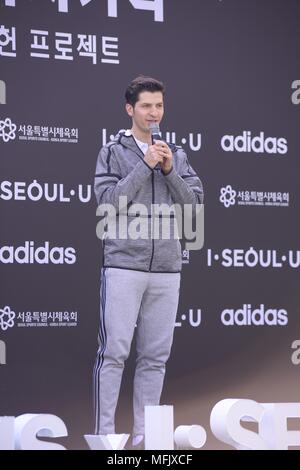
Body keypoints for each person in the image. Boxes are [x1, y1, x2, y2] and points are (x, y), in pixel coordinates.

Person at [93, 75, 204, 448]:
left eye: (158, 105)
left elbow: (194, 207)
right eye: (146, 106)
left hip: (167, 269)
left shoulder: (178, 154)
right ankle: (105, 437)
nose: (153, 112)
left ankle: (146, 438)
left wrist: (170, 170)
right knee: (114, 353)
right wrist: (145, 164)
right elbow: (108, 203)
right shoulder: (113, 152)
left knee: (155, 357)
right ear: (130, 109)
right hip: (124, 265)